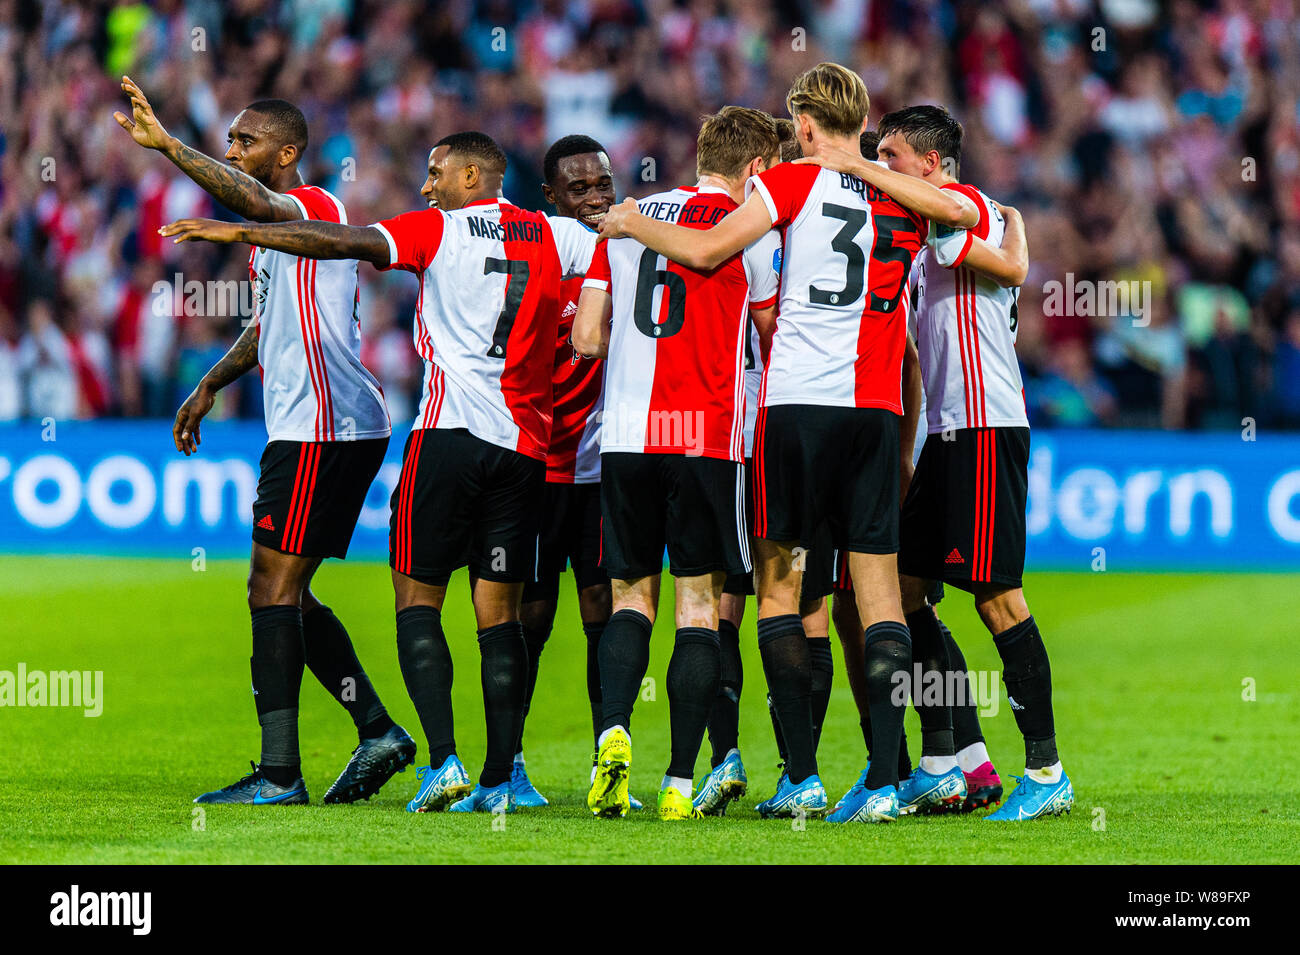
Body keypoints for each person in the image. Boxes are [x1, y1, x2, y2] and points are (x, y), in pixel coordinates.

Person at [162, 131, 594, 816]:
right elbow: (615, 261)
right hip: (523, 448)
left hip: (442, 437)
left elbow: (341, 240)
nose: (427, 185)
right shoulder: (559, 235)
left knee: (415, 602)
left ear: (472, 173)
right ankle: (502, 775)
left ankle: (437, 759)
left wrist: (234, 229)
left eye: (436, 172)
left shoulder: (436, 229)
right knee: (498, 616)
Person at [597, 63, 975, 822]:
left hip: (796, 413)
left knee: (779, 591)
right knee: (878, 599)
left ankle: (800, 775)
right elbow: (960, 216)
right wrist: (868, 167)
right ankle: (882, 780)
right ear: (862, 122)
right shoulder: (903, 199)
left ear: (804, 126)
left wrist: (632, 222)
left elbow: (705, 253)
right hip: (872, 413)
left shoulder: (791, 185)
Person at [115, 78, 412, 806]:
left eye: (244, 141)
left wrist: (169, 147)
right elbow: (269, 322)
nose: (233, 150)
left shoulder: (311, 208)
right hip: (315, 423)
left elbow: (252, 207)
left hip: (321, 424)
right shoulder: (284, 238)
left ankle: (281, 774)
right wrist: (211, 381)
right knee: (288, 593)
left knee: (269, 587)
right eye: (230, 140)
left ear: (287, 152)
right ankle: (377, 731)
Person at [573, 106, 781, 821]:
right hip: (703, 438)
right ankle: (680, 782)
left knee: (630, 597)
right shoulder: (749, 227)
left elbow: (587, 337)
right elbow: (770, 336)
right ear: (757, 168)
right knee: (698, 607)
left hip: (626, 435)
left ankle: (614, 735)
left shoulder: (624, 220)